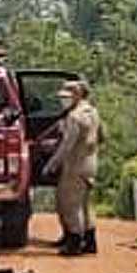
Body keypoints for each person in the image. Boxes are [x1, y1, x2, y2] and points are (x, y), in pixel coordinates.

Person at [44, 80, 102, 256]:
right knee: (85, 204)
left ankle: (74, 242)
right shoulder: (93, 112)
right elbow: (101, 136)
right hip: (90, 162)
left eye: (66, 97)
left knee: (71, 205)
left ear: (76, 95)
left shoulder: (74, 117)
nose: (64, 101)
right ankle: (90, 240)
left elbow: (67, 145)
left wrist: (52, 164)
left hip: (75, 165)